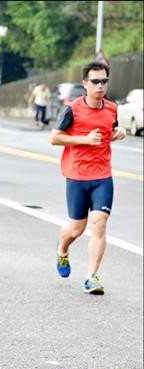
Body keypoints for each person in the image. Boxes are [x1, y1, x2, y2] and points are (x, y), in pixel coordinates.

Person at [49, 61, 126, 295]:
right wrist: (83, 140)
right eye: (95, 81)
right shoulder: (73, 109)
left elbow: (109, 132)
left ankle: (91, 276)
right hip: (77, 176)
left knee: (100, 224)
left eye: (104, 81)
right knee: (76, 229)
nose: (100, 86)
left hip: (102, 176)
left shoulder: (112, 108)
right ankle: (62, 250)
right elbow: (55, 137)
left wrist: (118, 133)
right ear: (85, 84)